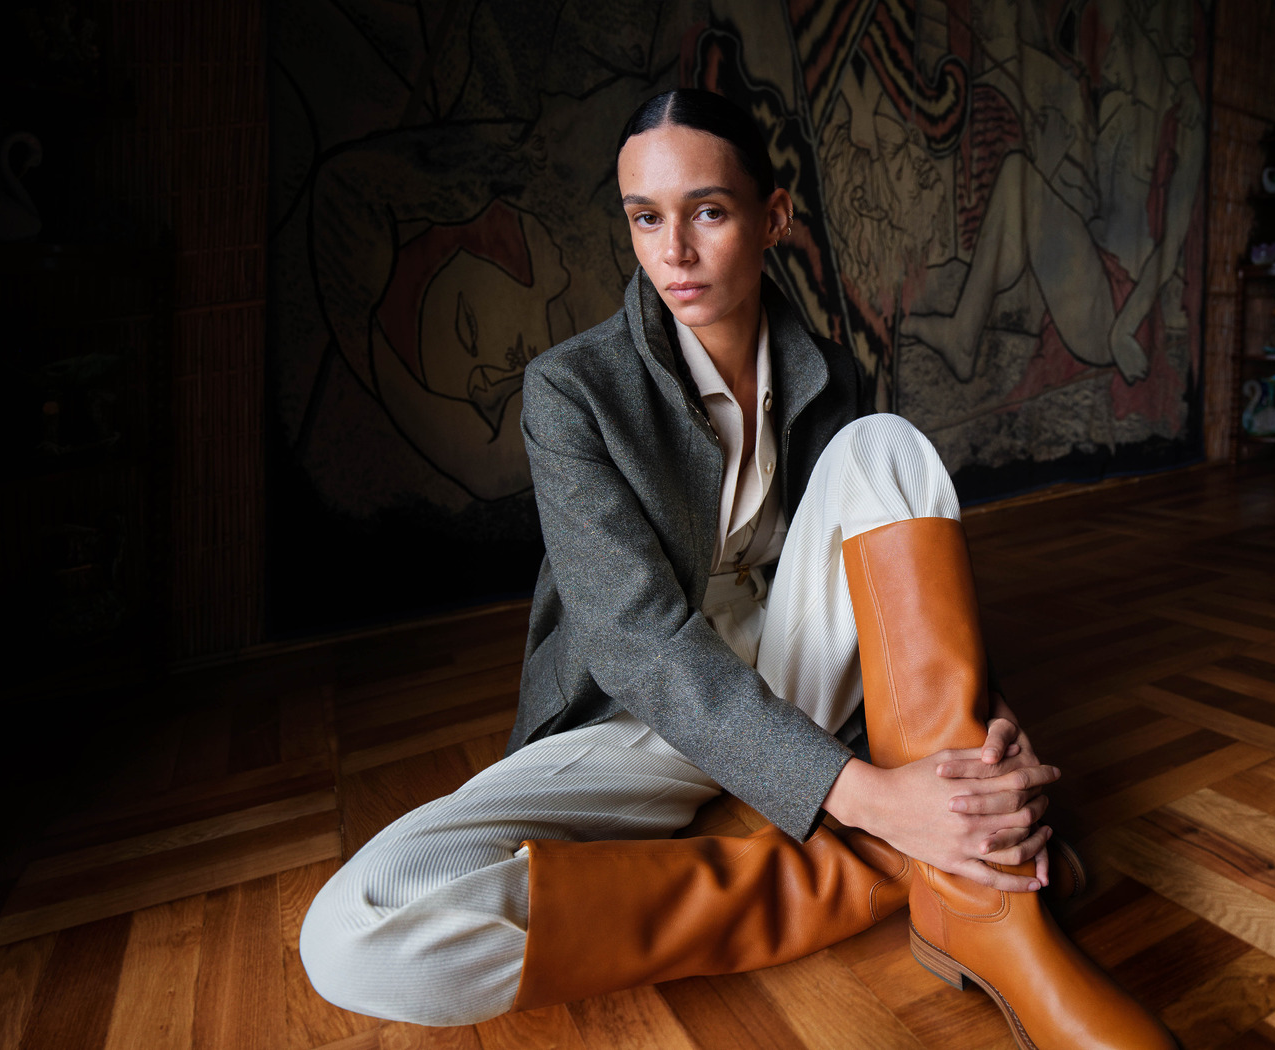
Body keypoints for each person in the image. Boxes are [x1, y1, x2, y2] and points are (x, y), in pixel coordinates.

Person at [300, 89, 1175, 1050]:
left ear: (774, 218)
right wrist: (874, 799)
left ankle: (986, 910)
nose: (673, 251)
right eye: (646, 218)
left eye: (708, 211)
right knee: (356, 931)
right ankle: (891, 866)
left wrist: (994, 721)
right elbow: (635, 643)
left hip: (800, 681)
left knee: (884, 446)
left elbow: (897, 589)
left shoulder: (829, 373)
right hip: (643, 714)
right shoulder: (572, 391)